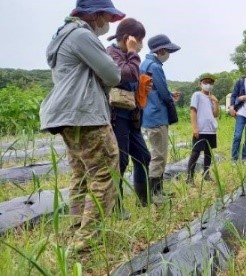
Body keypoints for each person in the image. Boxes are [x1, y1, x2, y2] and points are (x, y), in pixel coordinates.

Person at [39, 0, 125, 251]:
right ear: (96, 15)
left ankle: (75, 230)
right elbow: (113, 74)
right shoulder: (81, 35)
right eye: (107, 18)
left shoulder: (61, 35)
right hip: (85, 113)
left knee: (81, 174)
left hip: (67, 114)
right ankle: (87, 241)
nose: (108, 24)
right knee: (105, 173)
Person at [106, 18, 152, 212]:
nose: (141, 45)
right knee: (120, 161)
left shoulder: (126, 55)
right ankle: (116, 207)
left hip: (132, 117)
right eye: (139, 40)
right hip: (117, 116)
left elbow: (134, 81)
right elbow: (126, 74)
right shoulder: (112, 54)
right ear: (128, 38)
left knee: (143, 155)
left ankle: (144, 200)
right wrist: (133, 52)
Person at [140, 34, 181, 199]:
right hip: (157, 117)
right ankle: (155, 193)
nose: (169, 55)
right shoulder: (155, 67)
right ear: (161, 50)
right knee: (159, 155)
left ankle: (158, 190)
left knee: (158, 154)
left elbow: (154, 90)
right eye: (168, 51)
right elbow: (163, 92)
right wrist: (171, 97)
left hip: (149, 115)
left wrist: (169, 94)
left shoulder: (145, 64)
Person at [186, 73, 219, 185]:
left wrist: (216, 102)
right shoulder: (197, 95)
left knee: (208, 153)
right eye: (205, 82)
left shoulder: (211, 98)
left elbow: (215, 114)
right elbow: (193, 111)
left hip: (211, 129)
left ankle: (206, 174)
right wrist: (195, 127)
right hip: (201, 129)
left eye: (210, 83)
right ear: (200, 84)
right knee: (195, 153)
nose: (208, 85)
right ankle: (189, 178)